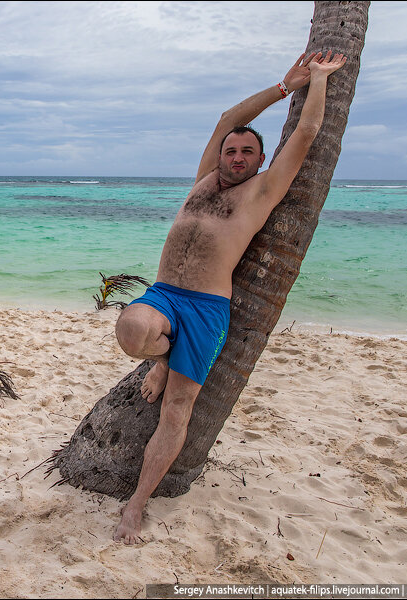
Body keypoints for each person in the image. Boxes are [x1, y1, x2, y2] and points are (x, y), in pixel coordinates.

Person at [112, 51, 347, 545]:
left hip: (206, 309)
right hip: (163, 295)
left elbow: (304, 135)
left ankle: (137, 506)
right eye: (231, 150)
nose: (236, 157)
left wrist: (320, 81)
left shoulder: (262, 192)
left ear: (260, 161)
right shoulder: (202, 179)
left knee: (178, 408)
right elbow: (227, 120)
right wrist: (283, 87)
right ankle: (161, 356)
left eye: (247, 153)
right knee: (131, 329)